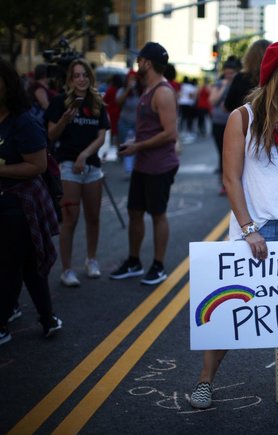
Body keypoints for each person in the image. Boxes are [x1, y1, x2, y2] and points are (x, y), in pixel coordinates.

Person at [190, 41, 278, 409]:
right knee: (229, 307)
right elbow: (231, 178)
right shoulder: (243, 118)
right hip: (255, 228)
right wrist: (248, 228)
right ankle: (206, 381)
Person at [0, 58, 62, 345]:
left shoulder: (22, 123)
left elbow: (37, 165)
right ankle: (48, 318)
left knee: (11, 266)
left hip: (19, 206)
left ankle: (2, 325)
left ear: (8, 86)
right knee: (27, 265)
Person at [110, 41, 179, 286]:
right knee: (135, 212)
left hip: (159, 165)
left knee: (158, 214)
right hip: (143, 163)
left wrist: (138, 146)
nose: (137, 63)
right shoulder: (145, 89)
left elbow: (170, 133)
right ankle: (134, 261)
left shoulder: (162, 92)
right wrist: (135, 141)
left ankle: (158, 266)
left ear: (148, 63)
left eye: (140, 59)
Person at [45, 59, 109, 287]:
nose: (81, 79)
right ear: (70, 79)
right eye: (76, 75)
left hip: (91, 168)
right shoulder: (59, 102)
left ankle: (91, 260)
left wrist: (84, 155)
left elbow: (102, 136)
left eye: (85, 75)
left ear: (90, 78)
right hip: (67, 168)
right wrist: (64, 120)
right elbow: (50, 135)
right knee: (69, 220)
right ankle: (66, 269)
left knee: (93, 217)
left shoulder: (97, 102)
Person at [209, 56, 241, 193]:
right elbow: (212, 100)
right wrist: (224, 86)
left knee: (232, 154)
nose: (229, 75)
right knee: (222, 154)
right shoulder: (220, 84)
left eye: (231, 73)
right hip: (218, 123)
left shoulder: (240, 83)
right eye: (227, 73)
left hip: (232, 124)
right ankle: (224, 183)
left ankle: (233, 181)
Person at [224, 39, 271, 113]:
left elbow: (228, 106)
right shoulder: (274, 78)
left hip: (244, 122)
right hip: (270, 122)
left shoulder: (240, 78)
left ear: (249, 57)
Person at [116, 70, 143, 175]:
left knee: (136, 145)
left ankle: (133, 168)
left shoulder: (140, 91)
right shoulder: (122, 90)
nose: (132, 81)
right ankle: (128, 167)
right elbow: (118, 102)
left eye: (134, 79)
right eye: (130, 79)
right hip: (124, 122)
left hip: (137, 122)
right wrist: (128, 90)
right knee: (126, 145)